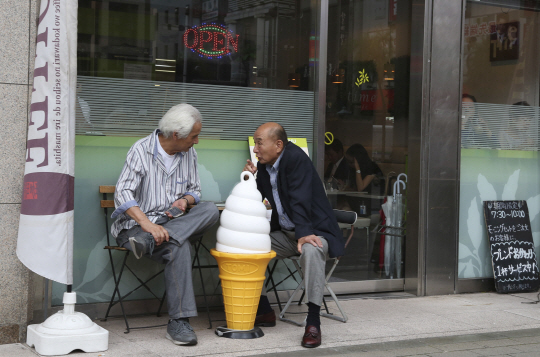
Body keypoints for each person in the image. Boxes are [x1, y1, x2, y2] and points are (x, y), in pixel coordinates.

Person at [111, 103, 220, 346]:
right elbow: (122, 193)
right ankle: (179, 322)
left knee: (211, 210)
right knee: (179, 247)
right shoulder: (141, 150)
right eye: (194, 136)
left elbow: (196, 191)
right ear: (176, 135)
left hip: (170, 223)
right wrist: (147, 225)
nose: (197, 141)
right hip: (135, 228)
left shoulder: (189, 153)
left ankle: (148, 243)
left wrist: (185, 200)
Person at [243, 122, 344, 349]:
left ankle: (313, 322)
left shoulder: (295, 158)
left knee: (312, 249)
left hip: (314, 231)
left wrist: (304, 233)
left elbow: (300, 198)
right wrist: (250, 177)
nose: (256, 149)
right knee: (248, 246)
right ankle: (263, 310)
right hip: (288, 233)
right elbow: (260, 196)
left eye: (259, 143)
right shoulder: (266, 165)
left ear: (278, 145)